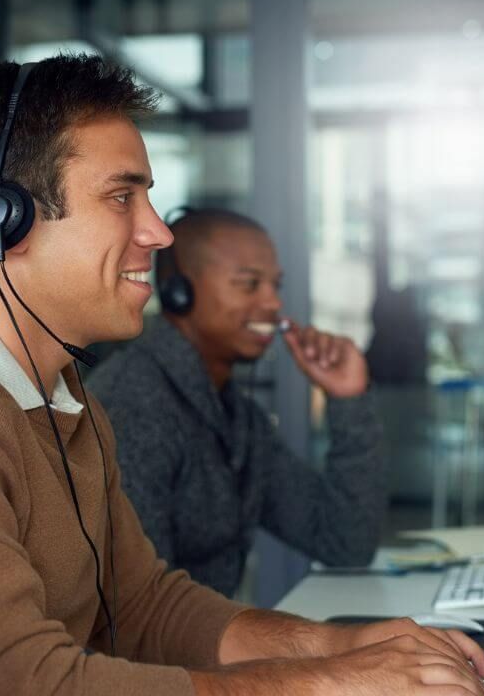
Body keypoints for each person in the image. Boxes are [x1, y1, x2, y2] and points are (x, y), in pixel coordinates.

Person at [0, 54, 484, 696]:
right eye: (122, 197)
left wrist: (344, 644)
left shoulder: (67, 399)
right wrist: (332, 684)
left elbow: (145, 605)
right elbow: (17, 685)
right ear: (3, 220)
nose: (158, 233)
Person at [87, 207, 385, 597]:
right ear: (180, 293)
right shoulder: (133, 406)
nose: (273, 303)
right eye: (249, 285)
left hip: (197, 652)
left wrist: (348, 400)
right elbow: (138, 610)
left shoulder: (237, 419)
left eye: (275, 286)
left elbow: (345, 542)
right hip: (150, 656)